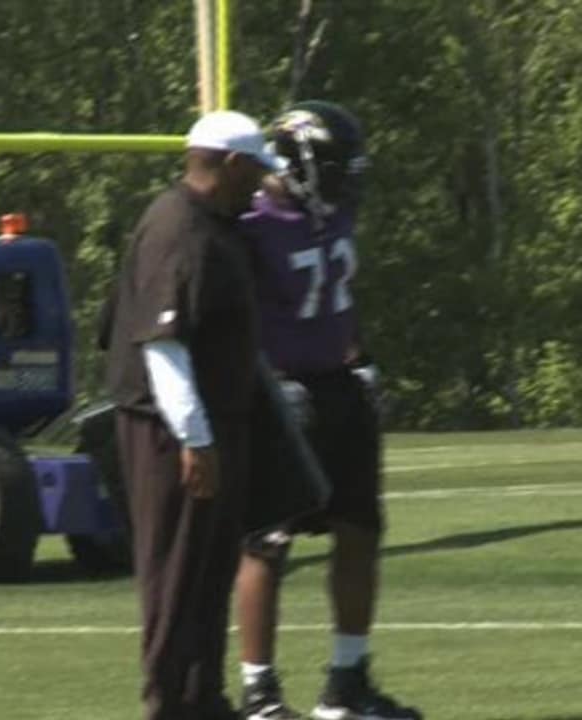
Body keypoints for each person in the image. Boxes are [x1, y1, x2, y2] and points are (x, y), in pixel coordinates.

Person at [233, 100, 422, 720]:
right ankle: (260, 693)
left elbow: (338, 300)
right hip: (279, 392)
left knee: (361, 528)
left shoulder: (331, 212)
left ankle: (346, 683)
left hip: (338, 384)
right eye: (337, 166)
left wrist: (360, 357)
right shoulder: (249, 222)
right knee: (269, 541)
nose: (347, 180)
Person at [105, 110, 284, 720]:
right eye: (256, 169)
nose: (261, 182)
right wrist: (195, 437)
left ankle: (201, 699)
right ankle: (171, 706)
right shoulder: (178, 227)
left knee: (207, 573)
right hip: (171, 431)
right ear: (231, 163)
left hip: (208, 424)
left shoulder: (213, 223)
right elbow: (163, 344)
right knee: (176, 577)